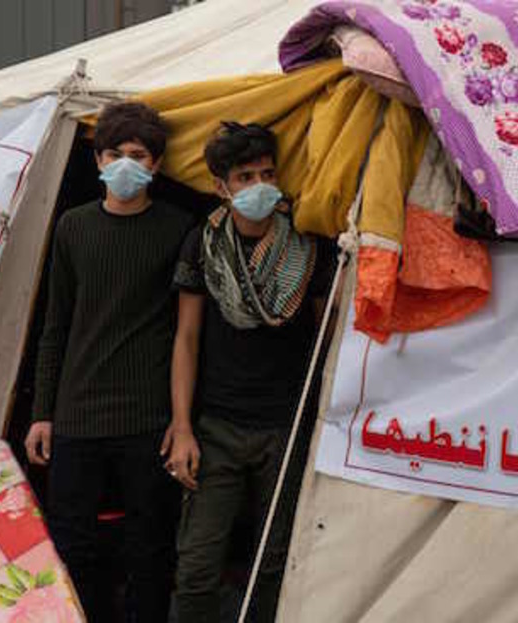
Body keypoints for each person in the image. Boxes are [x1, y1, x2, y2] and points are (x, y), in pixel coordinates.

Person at [24, 101, 192, 621]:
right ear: (96, 161)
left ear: (156, 165)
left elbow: (188, 333)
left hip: (147, 419)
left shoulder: (180, 227)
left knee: (150, 548)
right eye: (115, 153)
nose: (125, 164)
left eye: (138, 155)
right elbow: (56, 325)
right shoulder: (73, 227)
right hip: (76, 416)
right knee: (74, 546)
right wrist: (43, 412)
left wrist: (180, 422)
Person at [163, 121, 335, 622]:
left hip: (285, 427)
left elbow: (327, 335)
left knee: (275, 562)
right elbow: (186, 339)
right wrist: (181, 428)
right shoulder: (202, 244)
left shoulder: (309, 242)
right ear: (221, 186)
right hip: (216, 427)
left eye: (266, 173)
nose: (258, 186)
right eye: (244, 177)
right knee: (196, 565)